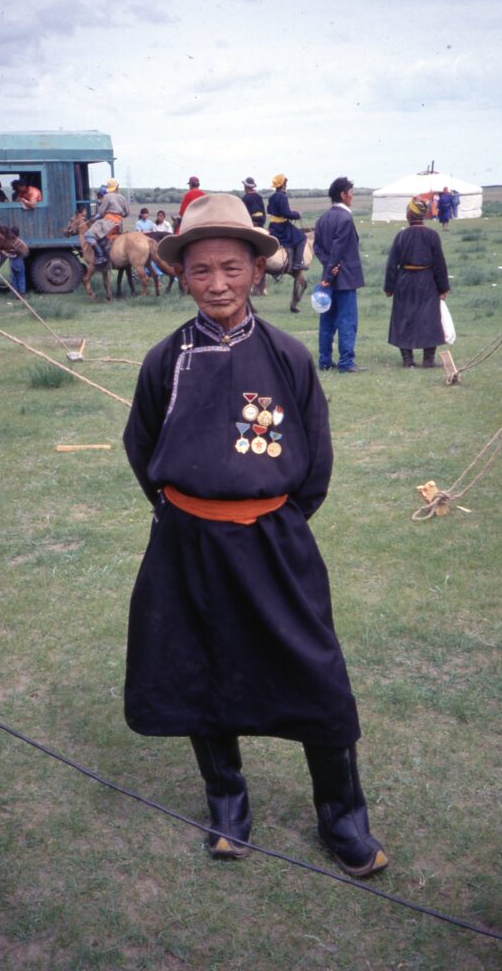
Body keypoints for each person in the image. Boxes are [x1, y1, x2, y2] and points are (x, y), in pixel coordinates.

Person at [122, 193, 388, 879]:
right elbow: (141, 445)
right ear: (183, 275)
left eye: (231, 269)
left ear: (255, 271)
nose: (217, 284)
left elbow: (315, 462)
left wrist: (272, 520)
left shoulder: (289, 356)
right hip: (187, 546)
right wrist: (186, 511)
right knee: (198, 669)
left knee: (315, 673)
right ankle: (228, 804)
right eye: (202, 270)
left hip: (273, 542)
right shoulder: (164, 360)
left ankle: (341, 815)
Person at [383, 197, 450, 368]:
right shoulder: (432, 235)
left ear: (409, 215)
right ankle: (428, 359)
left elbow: (392, 264)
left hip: (404, 281)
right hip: (427, 281)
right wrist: (443, 288)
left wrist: (389, 287)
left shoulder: (401, 236)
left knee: (404, 317)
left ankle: (408, 360)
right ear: (423, 216)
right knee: (429, 318)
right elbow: (440, 264)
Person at [313, 176, 366, 373]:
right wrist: (331, 273)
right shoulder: (345, 218)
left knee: (327, 321)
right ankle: (346, 362)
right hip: (344, 279)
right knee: (347, 321)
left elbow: (317, 247)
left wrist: (327, 270)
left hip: (330, 277)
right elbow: (338, 250)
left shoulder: (323, 218)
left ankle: (325, 361)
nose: (352, 197)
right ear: (343, 195)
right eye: (351, 193)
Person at [266, 174, 307, 271]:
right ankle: (298, 264)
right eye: (285, 183)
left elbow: (270, 210)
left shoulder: (272, 197)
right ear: (283, 185)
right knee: (302, 238)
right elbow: (286, 213)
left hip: (273, 225)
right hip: (282, 227)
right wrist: (297, 214)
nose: (286, 185)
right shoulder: (282, 197)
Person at [85, 179, 129, 265]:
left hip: (109, 223)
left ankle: (101, 256)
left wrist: (93, 219)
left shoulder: (107, 196)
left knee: (88, 235)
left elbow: (101, 212)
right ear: (117, 187)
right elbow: (127, 213)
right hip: (118, 223)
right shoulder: (122, 197)